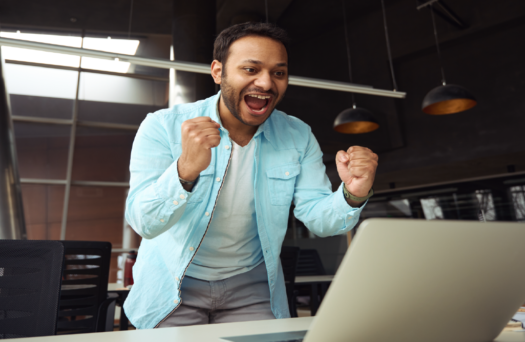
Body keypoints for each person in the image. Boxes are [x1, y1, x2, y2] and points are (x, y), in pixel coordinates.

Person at [123, 22, 378, 329]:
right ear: (218, 72)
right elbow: (143, 221)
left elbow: (318, 217)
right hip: (172, 283)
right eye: (250, 69)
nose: (267, 83)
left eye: (278, 73)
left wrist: (353, 193)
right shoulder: (162, 126)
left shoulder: (297, 135)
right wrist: (185, 170)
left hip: (252, 286)